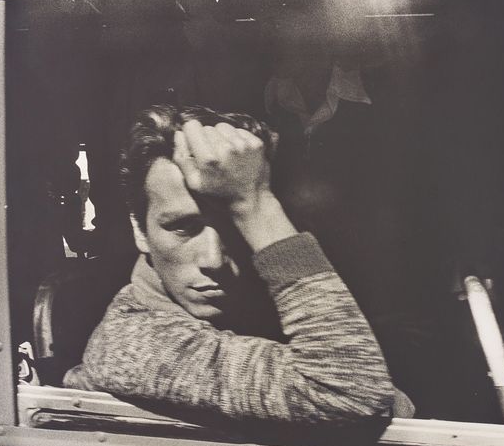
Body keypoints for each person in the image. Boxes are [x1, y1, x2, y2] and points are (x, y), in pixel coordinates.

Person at [64, 104, 404, 427]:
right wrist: (253, 205)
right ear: (140, 231)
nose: (213, 260)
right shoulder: (137, 344)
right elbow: (350, 389)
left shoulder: (240, 309)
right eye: (183, 227)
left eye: (235, 226)